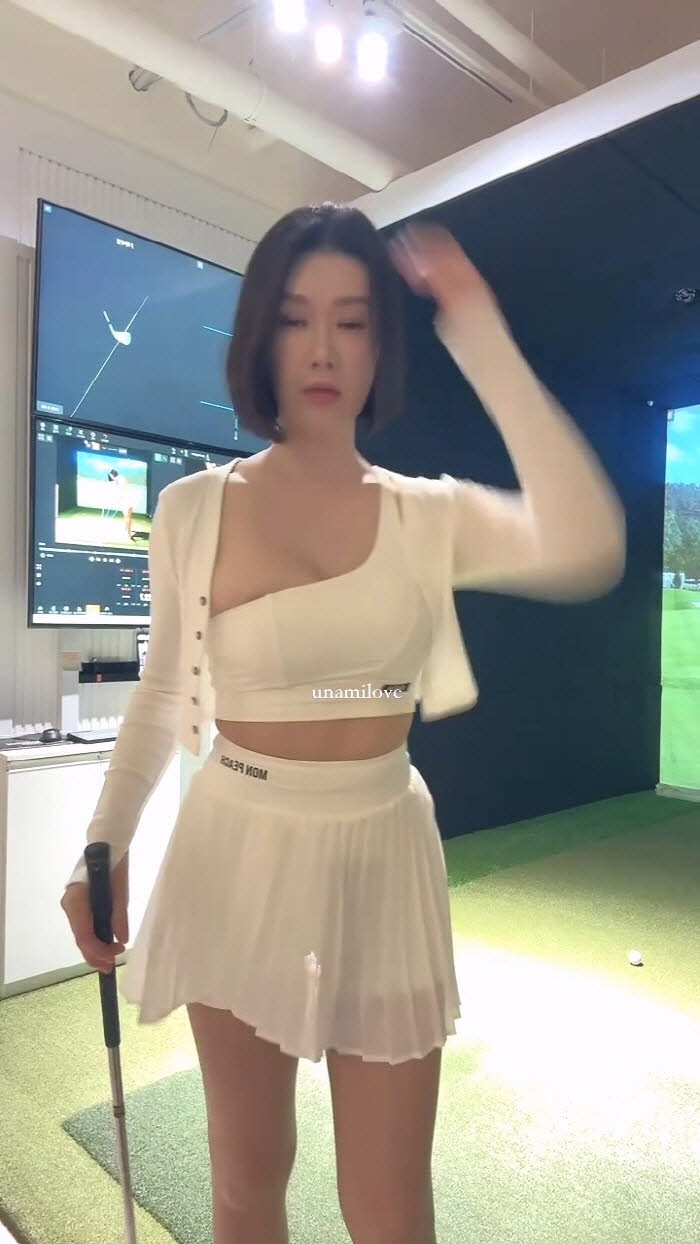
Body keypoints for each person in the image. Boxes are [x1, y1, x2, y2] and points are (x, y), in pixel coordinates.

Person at [61, 204, 626, 1244]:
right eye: (295, 317)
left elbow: (586, 540)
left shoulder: (426, 514)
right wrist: (105, 841)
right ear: (259, 336)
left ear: (380, 344)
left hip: (383, 854)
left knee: (391, 1208)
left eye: (353, 321)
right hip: (236, 849)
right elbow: (161, 688)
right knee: (246, 1181)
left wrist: (480, 330)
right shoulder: (194, 506)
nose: (323, 348)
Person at [106, 467, 135, 541]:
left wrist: (119, 497)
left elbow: (123, 489)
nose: (110, 477)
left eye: (110, 475)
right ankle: (126, 530)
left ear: (112, 475)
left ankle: (128, 534)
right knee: (126, 516)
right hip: (126, 499)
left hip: (127, 499)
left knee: (128, 516)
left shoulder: (119, 479)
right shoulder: (119, 478)